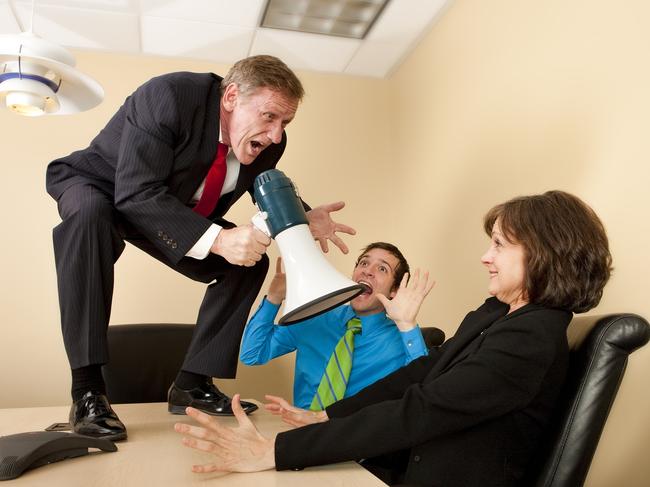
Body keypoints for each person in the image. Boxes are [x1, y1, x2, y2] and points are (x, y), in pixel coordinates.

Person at [174, 190, 613, 487]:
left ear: (542, 252)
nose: (485, 257)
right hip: (391, 456)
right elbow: (427, 372)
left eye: (498, 245)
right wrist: (329, 416)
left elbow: (425, 405)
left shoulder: (531, 337)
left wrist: (276, 448)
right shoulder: (497, 312)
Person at [45, 55, 355, 442]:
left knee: (246, 264)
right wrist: (221, 239)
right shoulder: (169, 96)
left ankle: (191, 384)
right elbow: (137, 192)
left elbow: (264, 189)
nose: (276, 135)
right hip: (103, 186)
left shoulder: (269, 143)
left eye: (285, 123)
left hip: (165, 206)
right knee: (89, 216)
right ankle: (87, 390)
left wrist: (303, 216)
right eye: (269, 117)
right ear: (230, 98)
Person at [239, 242, 434, 409]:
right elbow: (252, 354)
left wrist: (407, 323)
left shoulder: (401, 338)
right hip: (299, 433)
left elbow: (422, 394)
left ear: (394, 290)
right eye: (364, 263)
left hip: (357, 442)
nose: (368, 271)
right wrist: (274, 298)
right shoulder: (316, 316)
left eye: (382, 268)